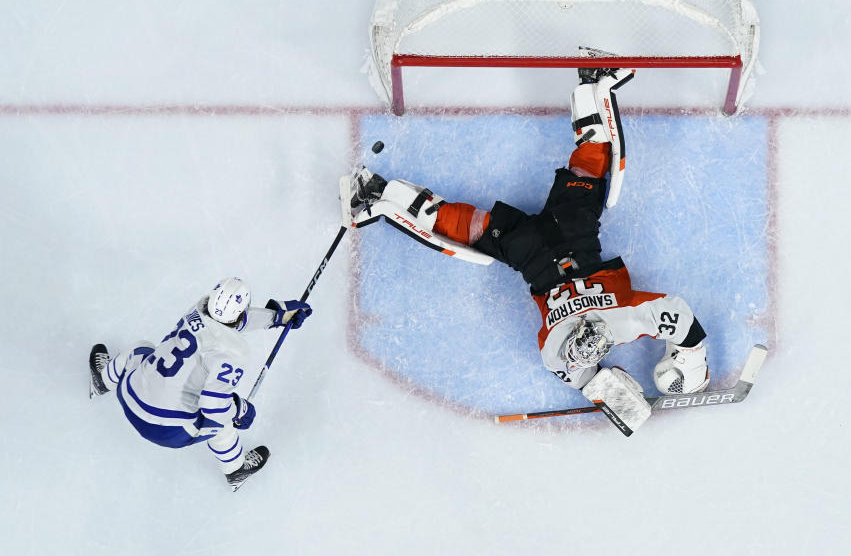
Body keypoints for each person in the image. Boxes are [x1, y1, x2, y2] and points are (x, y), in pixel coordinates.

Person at [343, 51, 708, 434]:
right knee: (474, 226)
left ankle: (593, 84)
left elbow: (675, 321)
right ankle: (378, 195)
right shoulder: (560, 354)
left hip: (556, 245)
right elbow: (593, 379)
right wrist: (675, 372)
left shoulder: (615, 326)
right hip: (533, 251)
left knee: (572, 179)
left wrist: (687, 364)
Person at [88, 277, 312, 490]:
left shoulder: (198, 309)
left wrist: (276, 317)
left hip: (130, 396)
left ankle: (102, 381)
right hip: (168, 431)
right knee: (220, 422)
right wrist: (241, 410)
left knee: (141, 348)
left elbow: (228, 324)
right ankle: (236, 471)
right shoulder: (234, 352)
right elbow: (213, 406)